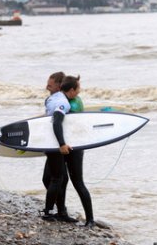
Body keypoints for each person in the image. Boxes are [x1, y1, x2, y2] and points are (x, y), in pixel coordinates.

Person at [42, 74, 94, 228]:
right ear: (71, 90)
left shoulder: (51, 98)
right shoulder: (65, 102)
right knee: (74, 181)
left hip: (56, 143)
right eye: (78, 89)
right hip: (68, 144)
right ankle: (89, 219)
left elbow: (48, 118)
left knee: (58, 179)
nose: (79, 92)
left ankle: (54, 212)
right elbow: (57, 120)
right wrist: (62, 143)